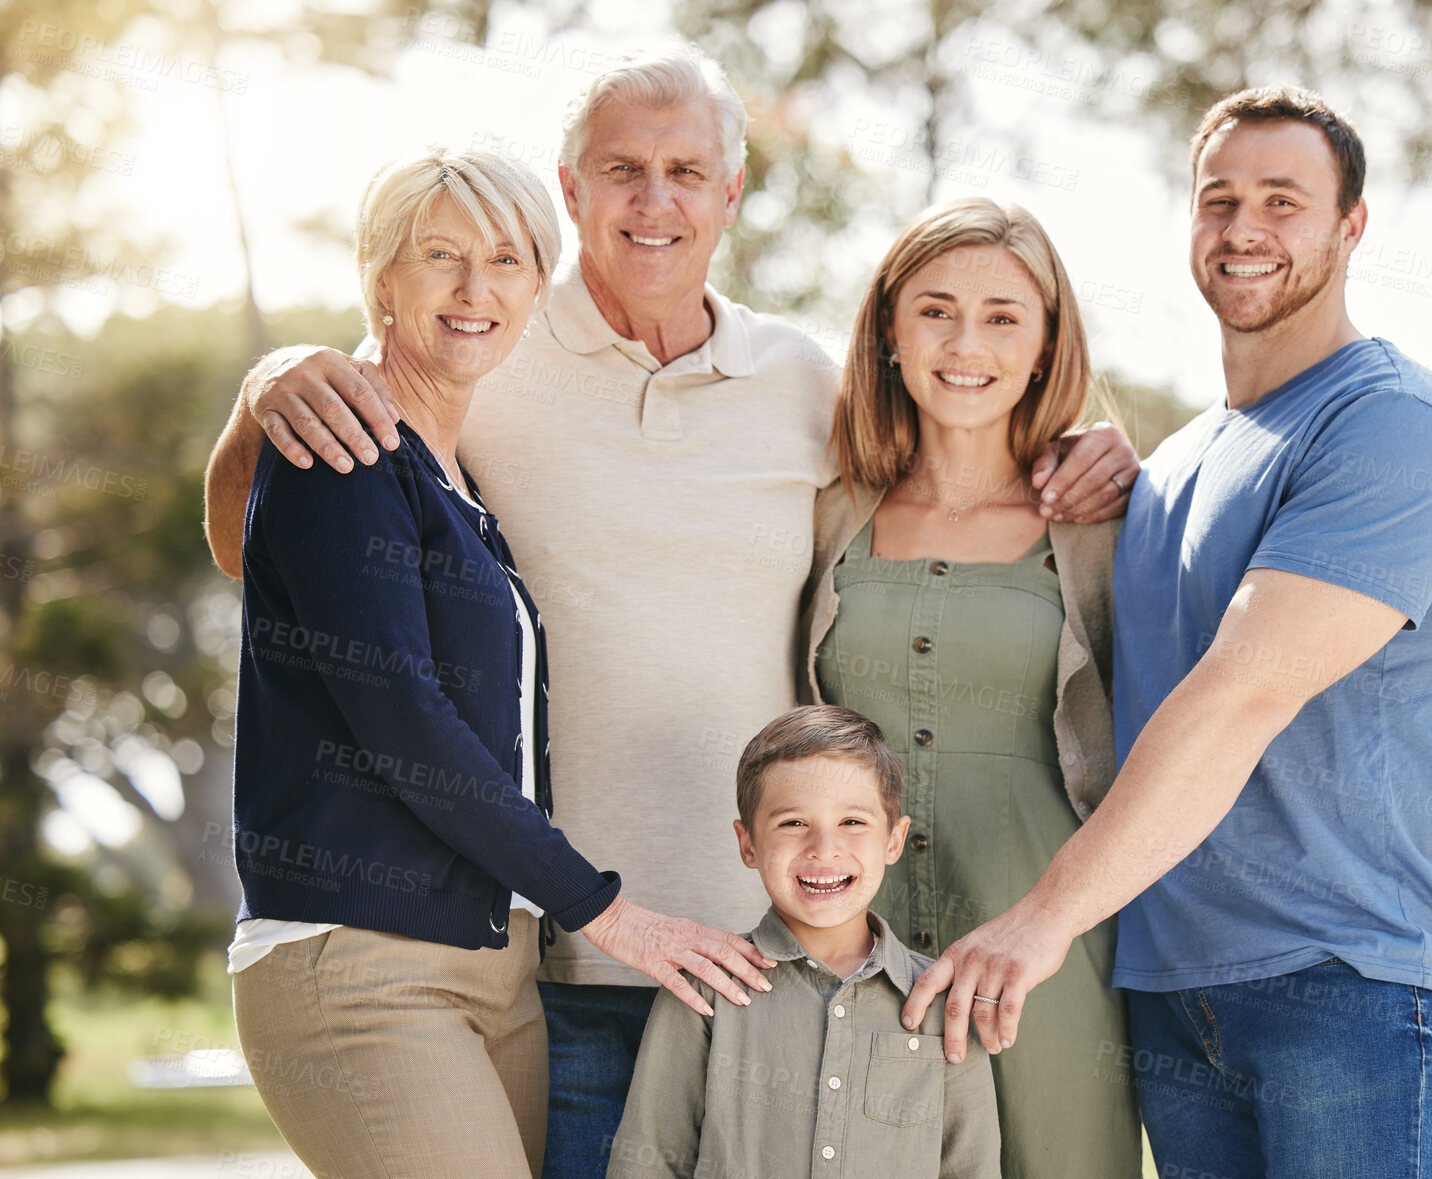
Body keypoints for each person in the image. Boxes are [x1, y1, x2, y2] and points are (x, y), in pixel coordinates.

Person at [200, 45, 1137, 1176]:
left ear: (731, 193)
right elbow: (256, 538)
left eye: (688, 172)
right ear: (570, 188)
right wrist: (268, 385)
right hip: (550, 950)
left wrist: (1081, 446)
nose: (656, 202)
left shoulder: (799, 382)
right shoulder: (483, 341)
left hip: (766, 954)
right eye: (622, 170)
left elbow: (944, 471)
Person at [901, 88, 1432, 1177]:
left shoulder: (1388, 422)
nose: (1244, 229)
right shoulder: (1171, 466)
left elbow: (1242, 692)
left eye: (1284, 200)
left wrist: (1040, 921)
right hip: (1172, 986)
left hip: (1346, 978)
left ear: (1350, 226)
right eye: (1218, 199)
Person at [227, 148, 771, 1179]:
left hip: (494, 965)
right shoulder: (339, 451)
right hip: (360, 960)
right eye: (440, 256)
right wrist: (607, 910)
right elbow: (404, 723)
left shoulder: (459, 482)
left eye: (509, 260)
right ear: (381, 276)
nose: (477, 290)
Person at [798, 198, 1139, 1176]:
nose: (965, 343)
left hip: (1050, 966)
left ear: (1043, 345)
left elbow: (1222, 681)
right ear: (890, 334)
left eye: (1002, 317)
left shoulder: (1105, 523)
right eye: (936, 310)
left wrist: (1418, 712)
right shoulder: (827, 511)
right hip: (853, 954)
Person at [609, 706, 1001, 1179]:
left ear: (894, 841)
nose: (824, 848)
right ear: (748, 843)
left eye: (852, 822)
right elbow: (651, 1158)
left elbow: (972, 1166)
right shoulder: (703, 985)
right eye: (793, 823)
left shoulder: (945, 1000)